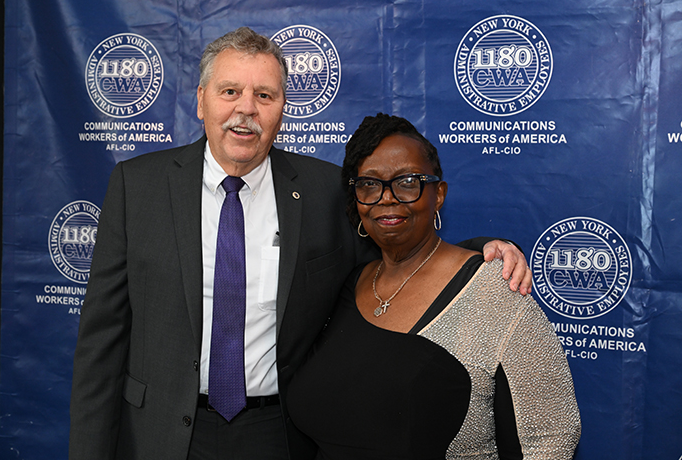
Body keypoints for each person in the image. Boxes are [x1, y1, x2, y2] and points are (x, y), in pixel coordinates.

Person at [69, 28, 532, 460]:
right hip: (158, 434)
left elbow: (397, 257)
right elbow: (101, 343)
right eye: (230, 91)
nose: (246, 109)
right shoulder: (137, 186)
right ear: (201, 101)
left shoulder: (324, 190)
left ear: (282, 109)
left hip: (280, 433)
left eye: (264, 95)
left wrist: (484, 251)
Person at [286, 113, 581, 459]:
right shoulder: (347, 284)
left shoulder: (496, 291)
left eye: (407, 182)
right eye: (369, 184)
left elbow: (552, 436)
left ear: (438, 194)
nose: (387, 197)